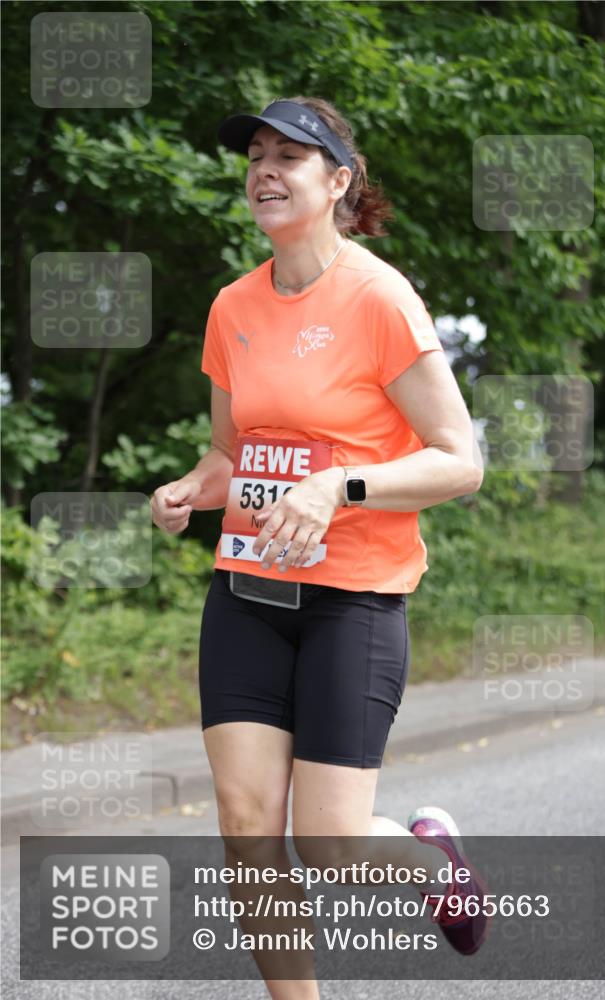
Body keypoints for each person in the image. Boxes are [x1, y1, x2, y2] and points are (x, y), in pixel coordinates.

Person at [150, 96, 487, 997]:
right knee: (246, 826)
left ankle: (430, 861)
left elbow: (459, 463)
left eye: (288, 156)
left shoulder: (378, 297)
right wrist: (193, 488)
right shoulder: (233, 306)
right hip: (247, 595)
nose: (263, 169)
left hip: (354, 598)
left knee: (331, 845)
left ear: (337, 182)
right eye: (254, 154)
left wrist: (338, 485)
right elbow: (230, 452)